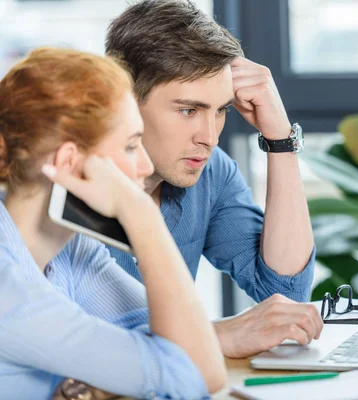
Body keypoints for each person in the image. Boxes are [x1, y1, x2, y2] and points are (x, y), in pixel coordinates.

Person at [0, 47, 226, 399]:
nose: (146, 167)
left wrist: (97, 388)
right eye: (132, 146)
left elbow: (173, 346)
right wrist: (142, 216)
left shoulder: (74, 250)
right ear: (70, 163)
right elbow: (196, 377)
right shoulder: (9, 294)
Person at [105, 0, 323, 359]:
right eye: (188, 110)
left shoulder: (210, 172)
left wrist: (280, 141)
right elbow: (74, 345)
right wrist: (217, 334)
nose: (209, 137)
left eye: (220, 110)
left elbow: (285, 291)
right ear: (123, 99)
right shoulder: (69, 189)